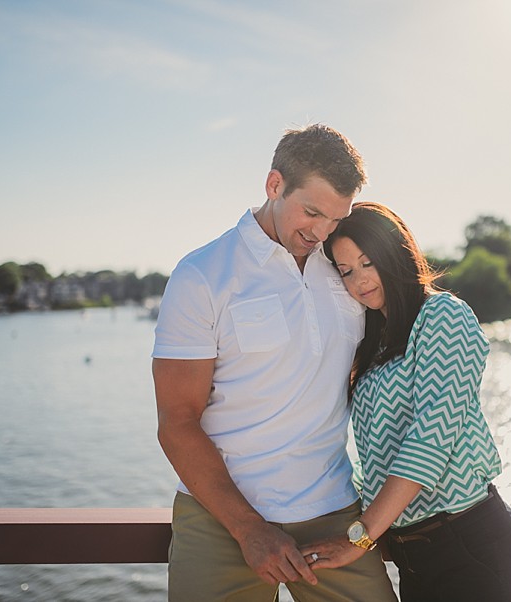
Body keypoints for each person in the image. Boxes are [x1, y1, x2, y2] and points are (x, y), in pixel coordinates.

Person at [151, 125, 397, 601]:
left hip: (332, 511)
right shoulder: (202, 274)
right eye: (312, 212)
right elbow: (176, 421)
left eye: (335, 218)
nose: (322, 231)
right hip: (222, 516)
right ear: (274, 185)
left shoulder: (343, 266)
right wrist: (248, 529)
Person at [303, 202, 511, 601]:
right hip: (414, 559)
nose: (359, 280)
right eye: (346, 271)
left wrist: (359, 537)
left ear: (395, 254)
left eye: (367, 262)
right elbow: (372, 456)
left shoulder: (443, 316)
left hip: (471, 547)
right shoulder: (374, 343)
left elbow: (430, 439)